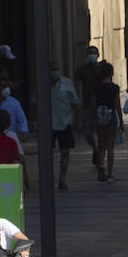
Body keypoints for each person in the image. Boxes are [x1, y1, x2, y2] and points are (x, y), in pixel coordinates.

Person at [49, 60, 80, 191]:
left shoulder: (67, 83)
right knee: (46, 153)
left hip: (65, 122)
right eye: (53, 69)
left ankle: (62, 179)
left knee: (65, 151)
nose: (56, 72)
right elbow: (34, 103)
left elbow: (76, 102)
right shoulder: (42, 83)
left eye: (57, 69)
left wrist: (78, 120)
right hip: (48, 124)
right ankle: (48, 178)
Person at [93, 60, 123, 183]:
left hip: (100, 115)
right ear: (111, 73)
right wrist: (121, 120)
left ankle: (101, 167)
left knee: (101, 145)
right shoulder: (114, 88)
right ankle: (110, 174)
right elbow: (117, 105)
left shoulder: (96, 87)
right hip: (111, 116)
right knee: (110, 146)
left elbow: (93, 103)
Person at [74, 45, 101, 164]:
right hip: (87, 104)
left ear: (98, 55)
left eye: (94, 53)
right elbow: (77, 85)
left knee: (101, 132)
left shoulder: (102, 68)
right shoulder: (82, 70)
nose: (92, 55)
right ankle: (95, 149)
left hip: (101, 105)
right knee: (87, 132)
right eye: (90, 53)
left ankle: (100, 154)